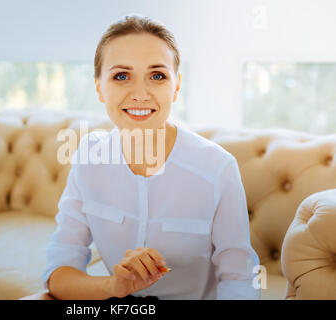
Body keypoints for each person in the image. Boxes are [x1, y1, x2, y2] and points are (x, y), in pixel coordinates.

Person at [20, 15, 260, 300]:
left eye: (157, 76)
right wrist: (113, 287)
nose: (140, 94)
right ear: (99, 87)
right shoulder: (89, 158)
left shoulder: (217, 169)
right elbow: (58, 273)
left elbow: (240, 279)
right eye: (121, 76)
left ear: (176, 86)